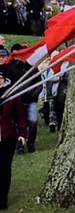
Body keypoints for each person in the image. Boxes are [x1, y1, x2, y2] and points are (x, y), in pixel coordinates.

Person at [0, 72, 27, 211]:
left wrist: (22, 134)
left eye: (0, 78)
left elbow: (20, 115)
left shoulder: (12, 94)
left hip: (7, 137)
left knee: (4, 168)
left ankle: (2, 199)